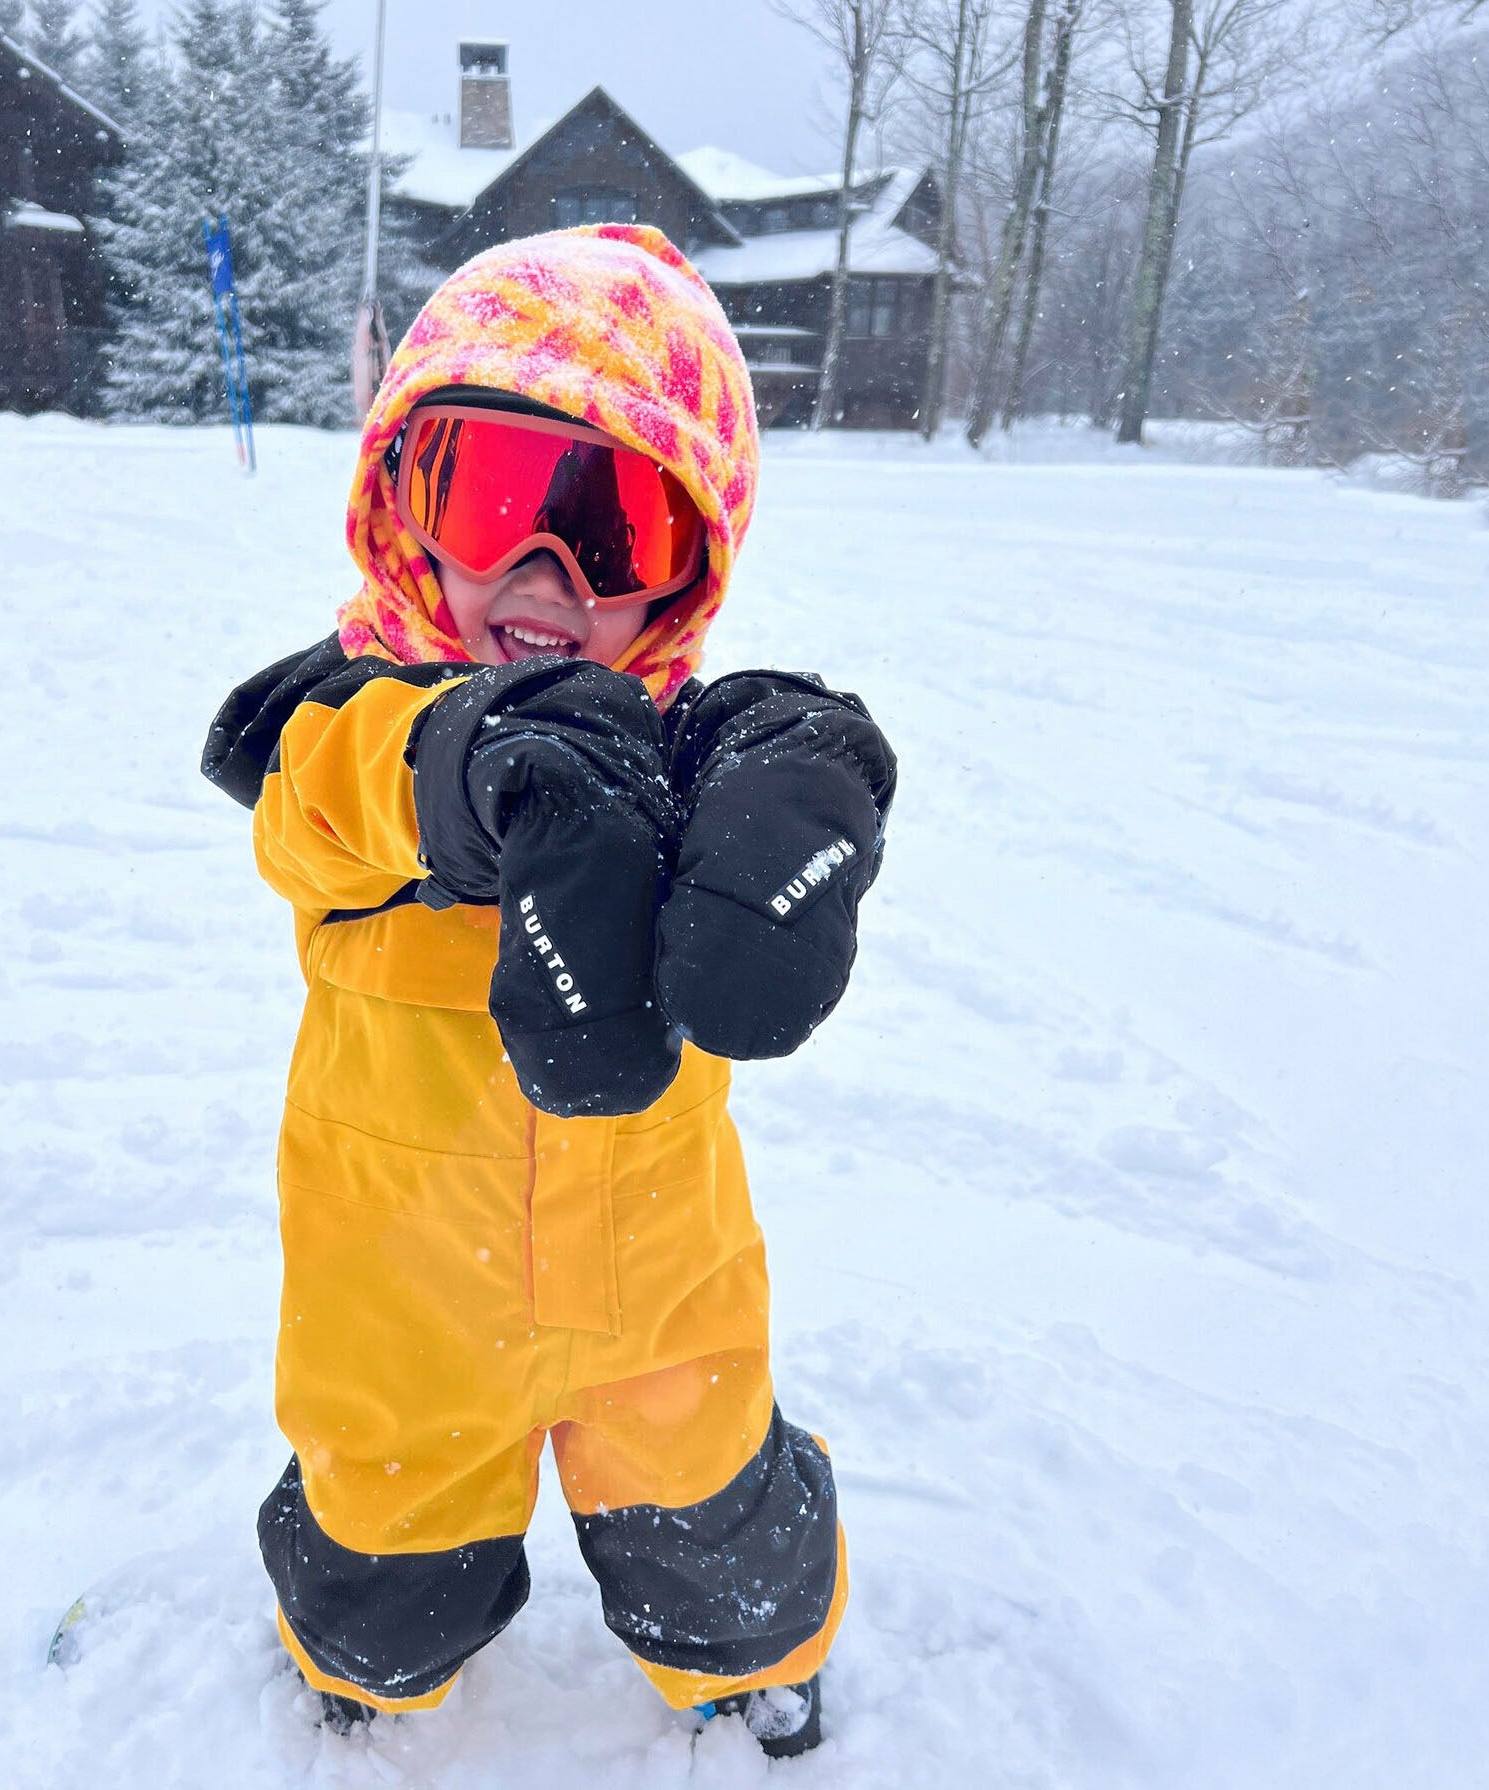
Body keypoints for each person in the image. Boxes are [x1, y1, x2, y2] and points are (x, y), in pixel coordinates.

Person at [201, 224, 897, 1760]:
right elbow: (338, 805)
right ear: (403, 505)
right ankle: (359, 1671)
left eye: (614, 524)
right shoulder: (340, 735)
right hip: (398, 1287)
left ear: (685, 576)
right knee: (387, 1544)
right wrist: (477, 758)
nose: (542, 572)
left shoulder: (674, 753)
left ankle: (749, 1661)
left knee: (711, 1513)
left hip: (659, 1281)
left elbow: (755, 753)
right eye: (494, 493)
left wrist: (808, 763)